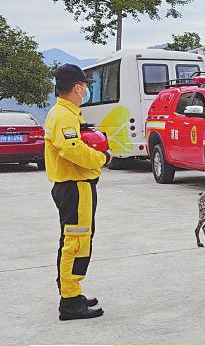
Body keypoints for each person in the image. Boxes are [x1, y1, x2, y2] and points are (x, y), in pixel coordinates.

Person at [45, 64, 111, 321]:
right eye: (85, 85)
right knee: (76, 241)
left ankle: (71, 291)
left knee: (75, 239)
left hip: (76, 185)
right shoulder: (64, 116)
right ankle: (70, 301)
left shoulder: (67, 112)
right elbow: (73, 149)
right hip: (74, 185)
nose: (86, 90)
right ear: (77, 87)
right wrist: (102, 158)